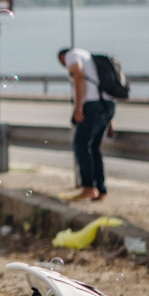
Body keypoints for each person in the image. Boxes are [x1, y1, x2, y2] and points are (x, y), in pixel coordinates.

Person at [58, 47, 116, 201]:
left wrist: (78, 107)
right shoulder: (89, 58)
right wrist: (110, 120)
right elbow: (104, 87)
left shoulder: (71, 55)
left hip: (92, 106)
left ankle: (88, 187)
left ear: (63, 57)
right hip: (107, 105)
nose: (66, 66)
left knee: (80, 145)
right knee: (94, 147)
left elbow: (79, 76)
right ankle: (100, 189)